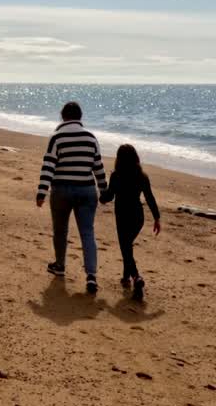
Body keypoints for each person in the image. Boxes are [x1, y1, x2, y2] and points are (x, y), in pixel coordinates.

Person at [36, 101, 107, 294]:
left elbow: (48, 166)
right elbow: (98, 167)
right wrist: (104, 191)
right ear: (80, 117)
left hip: (61, 190)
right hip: (86, 190)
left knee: (60, 230)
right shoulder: (91, 138)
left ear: (63, 116)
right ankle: (91, 276)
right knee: (87, 233)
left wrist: (41, 192)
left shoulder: (57, 138)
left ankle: (60, 265)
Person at [99, 144, 161, 302]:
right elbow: (149, 198)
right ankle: (126, 277)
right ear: (136, 158)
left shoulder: (116, 176)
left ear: (119, 159)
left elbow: (109, 197)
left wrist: (100, 196)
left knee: (126, 248)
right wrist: (156, 218)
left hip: (122, 216)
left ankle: (136, 278)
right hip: (137, 217)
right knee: (127, 247)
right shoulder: (142, 176)